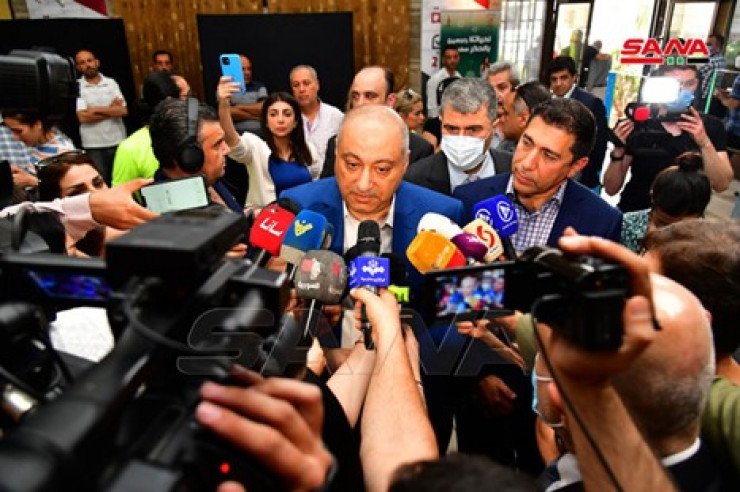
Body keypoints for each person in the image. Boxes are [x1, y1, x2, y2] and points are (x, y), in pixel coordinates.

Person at [282, 105, 464, 346]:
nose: (364, 184)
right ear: (336, 154)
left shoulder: (441, 215)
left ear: (405, 163)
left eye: (382, 169)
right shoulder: (298, 209)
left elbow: (450, 322)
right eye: (352, 165)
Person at [454, 98, 622, 248]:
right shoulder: (468, 200)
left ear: (576, 166)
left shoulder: (602, 223)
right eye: (527, 143)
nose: (527, 164)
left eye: (549, 156)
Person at [605, 65, 733, 212]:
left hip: (685, 217)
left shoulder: (710, 126)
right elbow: (611, 188)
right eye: (674, 84)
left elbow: (721, 184)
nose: (682, 90)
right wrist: (618, 151)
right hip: (636, 210)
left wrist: (704, 143)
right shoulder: (639, 124)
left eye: (689, 84)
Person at [219, 78, 320, 207]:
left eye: (287, 114)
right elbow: (232, 141)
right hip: (269, 217)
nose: (280, 120)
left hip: (304, 216)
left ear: (296, 122)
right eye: (273, 114)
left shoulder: (309, 149)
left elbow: (316, 185)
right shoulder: (256, 147)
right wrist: (223, 103)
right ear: (266, 122)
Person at [320, 66, 433, 178]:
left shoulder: (418, 149)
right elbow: (326, 187)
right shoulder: (336, 143)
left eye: (370, 96)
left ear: (390, 100)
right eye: (355, 96)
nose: (360, 103)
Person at [405, 78, 512, 196]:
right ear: (441, 122)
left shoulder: (514, 171)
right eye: (452, 128)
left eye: (473, 130)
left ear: (494, 126)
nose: (461, 139)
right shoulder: (414, 180)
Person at [149, 98, 242, 213]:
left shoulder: (207, 178)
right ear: (189, 158)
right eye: (217, 144)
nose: (227, 150)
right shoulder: (176, 218)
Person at [620, 152, 710, 253]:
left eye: (680, 228)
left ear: (698, 216)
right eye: (661, 224)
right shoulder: (626, 225)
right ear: (652, 196)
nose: (666, 235)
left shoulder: (707, 246)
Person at [36, 151, 122, 256]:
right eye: (77, 193)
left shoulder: (125, 236)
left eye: (98, 184)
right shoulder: (46, 250)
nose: (96, 195)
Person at [547, 56, 608, 191]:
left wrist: (590, 174)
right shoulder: (547, 103)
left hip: (581, 176)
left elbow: (599, 143)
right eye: (554, 79)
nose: (558, 83)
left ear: (574, 77)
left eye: (564, 78)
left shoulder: (591, 103)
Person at [112, 70, 182, 187]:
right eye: (186, 97)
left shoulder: (199, 134)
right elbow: (120, 193)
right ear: (170, 102)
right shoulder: (130, 148)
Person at [75, 49, 128, 186]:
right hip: (93, 145)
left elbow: (123, 110)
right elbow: (82, 117)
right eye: (82, 62)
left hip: (118, 140)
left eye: (90, 60)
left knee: (122, 180)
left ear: (97, 62)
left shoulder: (111, 83)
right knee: (100, 182)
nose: (88, 65)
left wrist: (95, 109)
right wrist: (110, 109)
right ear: (78, 67)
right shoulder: (77, 86)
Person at [0, 109, 75, 191]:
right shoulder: (35, 145)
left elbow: (69, 188)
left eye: (18, 131)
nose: (15, 137)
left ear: (37, 124)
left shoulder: (63, 151)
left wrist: (32, 181)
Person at [290, 65, 344, 165]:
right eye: (296, 85)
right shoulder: (289, 118)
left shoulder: (335, 116)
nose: (301, 89)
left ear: (317, 85)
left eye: (306, 83)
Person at [497, 81, 551, 152]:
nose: (501, 119)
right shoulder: (505, 146)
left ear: (523, 119)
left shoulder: (551, 152)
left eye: (506, 113)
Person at [228, 54, 268, 136]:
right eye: (242, 69)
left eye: (249, 69)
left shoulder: (259, 87)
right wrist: (254, 116)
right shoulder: (226, 89)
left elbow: (263, 108)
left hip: (259, 135)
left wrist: (238, 107)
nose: (247, 73)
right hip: (236, 135)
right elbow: (228, 112)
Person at [426, 45, 462, 118]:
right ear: (443, 60)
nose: (452, 60)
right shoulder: (435, 79)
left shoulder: (459, 77)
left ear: (459, 59)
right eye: (449, 57)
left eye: (455, 57)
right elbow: (431, 108)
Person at [699, 34, 727, 105]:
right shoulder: (722, 59)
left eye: (709, 44)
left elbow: (695, 72)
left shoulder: (713, 61)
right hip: (710, 98)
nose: (705, 46)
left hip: (703, 98)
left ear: (718, 47)